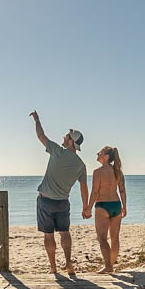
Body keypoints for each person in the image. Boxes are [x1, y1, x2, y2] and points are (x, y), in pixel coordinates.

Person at [30, 110, 90, 276]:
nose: (63, 137)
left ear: (71, 142)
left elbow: (41, 136)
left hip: (46, 202)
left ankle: (53, 268)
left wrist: (37, 120)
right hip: (63, 202)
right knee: (65, 232)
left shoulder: (58, 151)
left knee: (48, 235)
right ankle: (69, 264)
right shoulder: (81, 165)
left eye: (66, 136)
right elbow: (84, 187)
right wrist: (86, 207)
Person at [86, 146, 127, 274]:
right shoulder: (118, 172)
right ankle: (111, 266)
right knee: (115, 238)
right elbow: (122, 190)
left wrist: (88, 208)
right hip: (116, 205)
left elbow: (95, 192)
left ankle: (108, 266)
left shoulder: (97, 172)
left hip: (103, 205)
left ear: (107, 156)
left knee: (102, 238)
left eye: (100, 153)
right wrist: (124, 206)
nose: (97, 154)